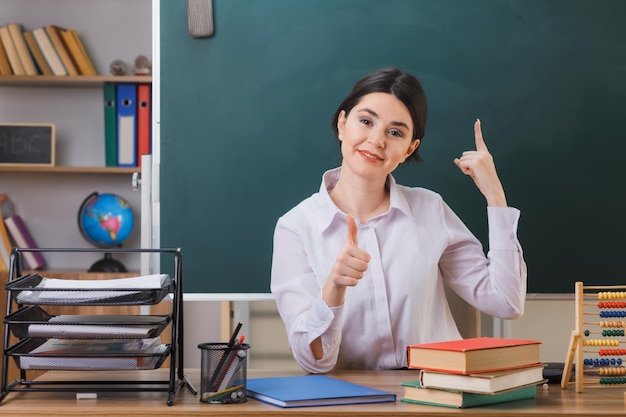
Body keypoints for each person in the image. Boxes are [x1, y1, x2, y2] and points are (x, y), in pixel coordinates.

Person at [270, 67, 527, 373]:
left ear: (409, 149)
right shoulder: (296, 228)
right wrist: (334, 289)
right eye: (366, 121)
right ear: (342, 124)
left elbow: (506, 303)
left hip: (436, 392)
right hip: (352, 399)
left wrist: (495, 197)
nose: (377, 140)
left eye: (395, 132)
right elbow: (314, 362)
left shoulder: (429, 209)